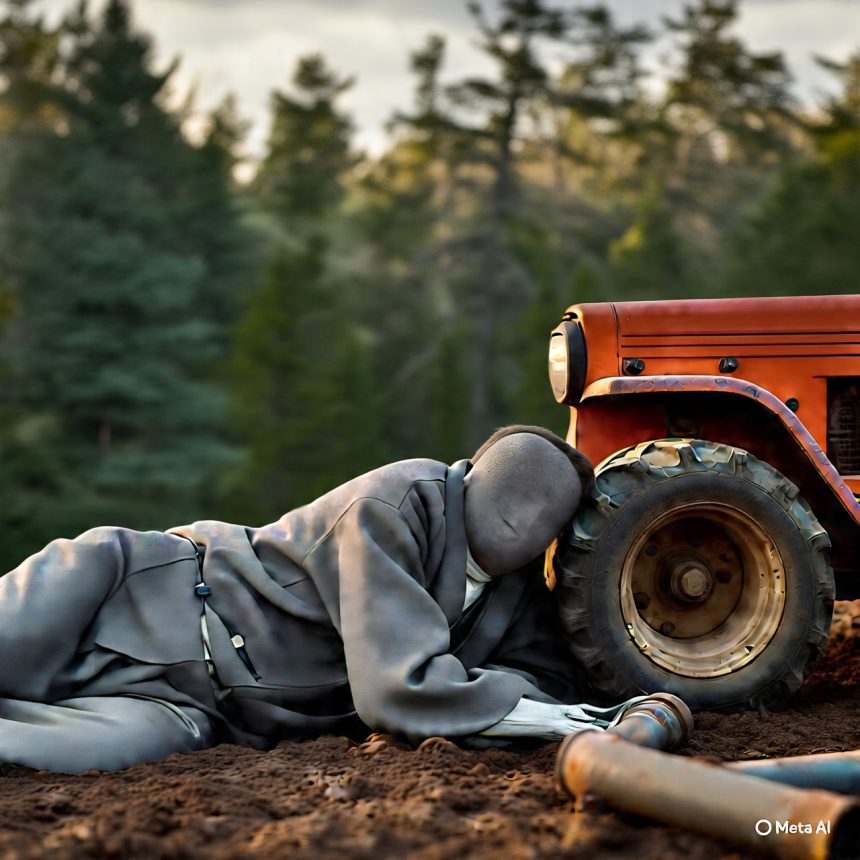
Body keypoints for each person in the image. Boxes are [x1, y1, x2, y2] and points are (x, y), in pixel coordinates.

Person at [0, 424, 639, 774]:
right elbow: (396, 690)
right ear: (468, 480)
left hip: (192, 707)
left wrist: (557, 705)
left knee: (67, 755)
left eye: (534, 525)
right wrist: (521, 706)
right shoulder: (393, 505)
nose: (513, 528)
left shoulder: (518, 585)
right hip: (126, 587)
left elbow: (550, 678)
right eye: (506, 506)